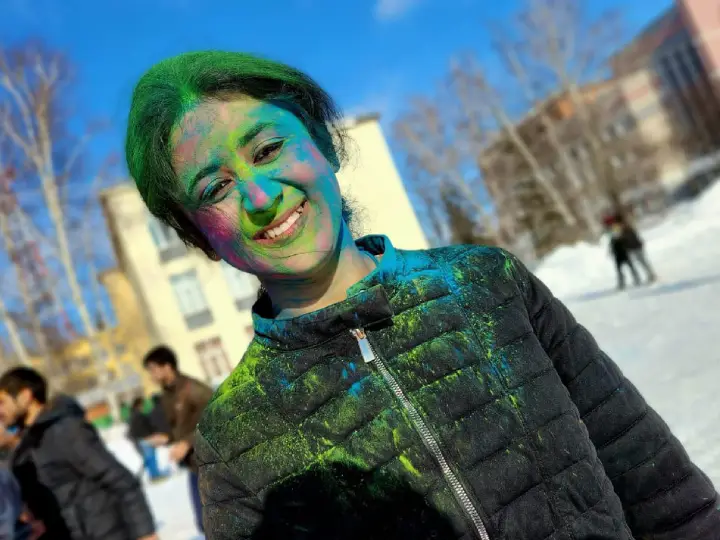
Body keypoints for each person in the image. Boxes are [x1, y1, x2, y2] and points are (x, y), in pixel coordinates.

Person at [125, 50, 720, 539]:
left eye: (267, 150)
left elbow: (660, 486)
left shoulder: (487, 284)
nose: (260, 197)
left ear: (323, 144)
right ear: (200, 237)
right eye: (216, 188)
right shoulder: (235, 436)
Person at [0, 367, 158, 540]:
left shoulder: (66, 430)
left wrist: (145, 533)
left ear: (25, 396)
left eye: (2, 402)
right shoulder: (25, 447)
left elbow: (121, 481)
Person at [141, 346, 212, 535]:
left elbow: (217, 419)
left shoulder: (193, 389)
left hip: (214, 464)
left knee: (216, 522)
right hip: (195, 465)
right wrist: (167, 438)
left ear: (167, 367)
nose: (151, 375)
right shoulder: (167, 395)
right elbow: (183, 426)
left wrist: (186, 443)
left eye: (153, 369)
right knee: (204, 523)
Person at [126, 398, 168, 483]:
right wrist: (151, 435)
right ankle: (155, 476)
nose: (143, 406)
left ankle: (154, 475)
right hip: (144, 440)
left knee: (149, 458)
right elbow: (143, 428)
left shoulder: (133, 415)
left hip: (140, 440)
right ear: (138, 405)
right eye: (142, 404)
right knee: (151, 458)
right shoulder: (138, 415)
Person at [617, 215, 657, 284]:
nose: (621, 226)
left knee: (643, 262)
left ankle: (652, 275)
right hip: (632, 249)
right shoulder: (624, 231)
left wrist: (627, 244)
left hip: (636, 247)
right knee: (640, 262)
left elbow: (633, 238)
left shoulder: (628, 230)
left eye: (621, 225)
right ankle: (648, 275)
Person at [608, 220, 640, 290]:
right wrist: (611, 252)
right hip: (618, 256)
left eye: (616, 230)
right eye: (614, 231)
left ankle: (637, 278)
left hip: (625, 254)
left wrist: (628, 249)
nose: (615, 232)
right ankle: (622, 283)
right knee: (619, 270)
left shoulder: (622, 237)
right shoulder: (613, 239)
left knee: (631, 267)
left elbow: (627, 244)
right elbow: (611, 247)